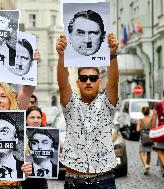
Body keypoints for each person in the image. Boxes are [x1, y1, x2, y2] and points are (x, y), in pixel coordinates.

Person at [56, 32, 119, 189]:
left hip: (104, 181)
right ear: (78, 83)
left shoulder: (107, 103)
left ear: (99, 81)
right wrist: (62, 56)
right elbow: (63, 84)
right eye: (84, 78)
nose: (88, 82)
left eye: (92, 78)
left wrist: (112, 55)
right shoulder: (70, 105)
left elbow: (114, 82)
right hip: (74, 182)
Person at [136, 106, 154, 175]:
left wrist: (141, 128)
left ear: (142, 112)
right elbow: (153, 128)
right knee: (148, 153)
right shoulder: (152, 120)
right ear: (149, 112)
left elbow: (137, 130)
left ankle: (146, 165)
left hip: (143, 139)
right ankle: (147, 168)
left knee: (141, 152)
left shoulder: (140, 120)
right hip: (150, 138)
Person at [152, 90, 164, 177]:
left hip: (161, 131)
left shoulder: (158, 105)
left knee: (160, 149)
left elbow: (154, 117)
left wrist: (153, 129)